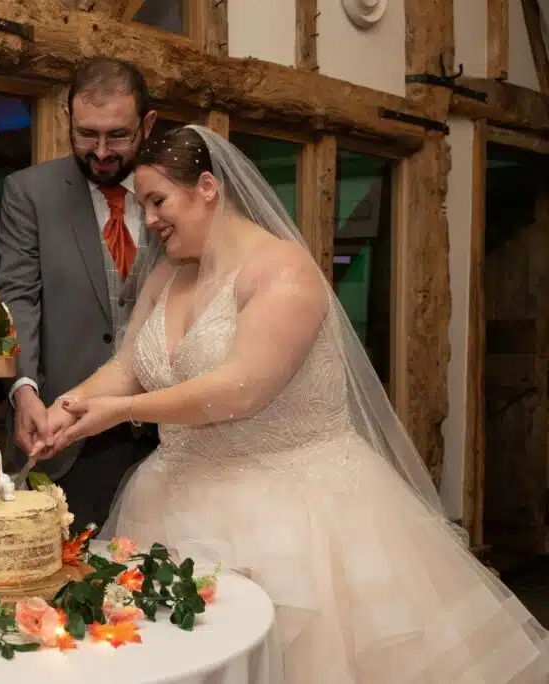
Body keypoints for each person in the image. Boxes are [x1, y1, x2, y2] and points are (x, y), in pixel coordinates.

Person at [39, 125, 549, 682]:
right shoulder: (167, 273)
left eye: (158, 201)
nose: (150, 220)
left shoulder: (282, 271)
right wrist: (71, 404)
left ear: (207, 187)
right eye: (144, 206)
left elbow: (243, 389)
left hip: (296, 515)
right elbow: (130, 364)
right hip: (175, 501)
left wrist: (122, 412)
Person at [0, 57, 160, 531]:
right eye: (87, 134)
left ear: (147, 124)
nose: (102, 152)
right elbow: (17, 299)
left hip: (170, 436)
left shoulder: (171, 192)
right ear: (68, 117)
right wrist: (23, 389)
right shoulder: (30, 193)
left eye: (118, 136)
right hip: (64, 436)